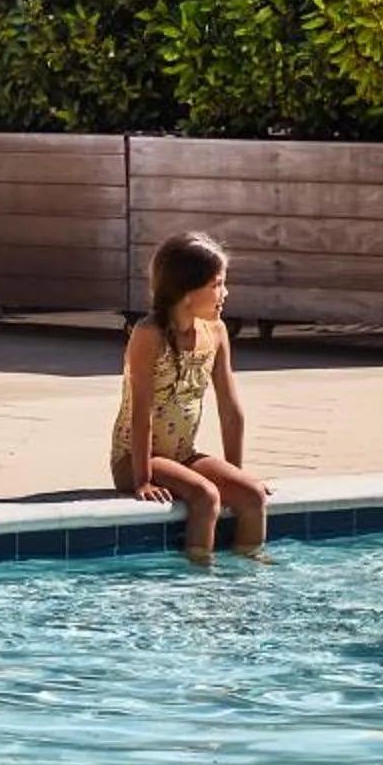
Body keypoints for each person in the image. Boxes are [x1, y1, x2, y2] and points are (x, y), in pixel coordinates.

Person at [114, 231, 270, 558]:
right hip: (136, 459)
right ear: (186, 291)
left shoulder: (215, 332)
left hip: (184, 454)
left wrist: (236, 474)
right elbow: (141, 412)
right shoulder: (148, 334)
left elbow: (230, 409)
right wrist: (143, 480)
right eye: (216, 285)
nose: (224, 293)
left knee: (253, 495)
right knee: (205, 497)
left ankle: (249, 576)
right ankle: (198, 579)